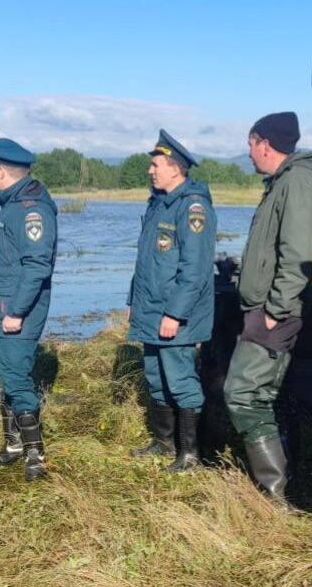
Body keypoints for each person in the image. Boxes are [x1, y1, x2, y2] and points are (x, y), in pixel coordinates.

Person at [224, 111, 312, 502]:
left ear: (264, 143)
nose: (249, 152)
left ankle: (272, 493)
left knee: (242, 392)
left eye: (251, 144)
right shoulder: (283, 182)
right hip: (267, 306)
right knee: (270, 393)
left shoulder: (299, 181)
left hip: (275, 310)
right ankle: (286, 476)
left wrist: (276, 308)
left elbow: (298, 254)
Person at [127, 130, 217, 472]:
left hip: (175, 315)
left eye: (155, 165)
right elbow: (148, 262)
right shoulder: (158, 204)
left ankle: (190, 454)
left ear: (175, 168)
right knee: (155, 375)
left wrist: (174, 314)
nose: (150, 171)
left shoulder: (192, 208)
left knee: (180, 379)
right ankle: (164, 443)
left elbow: (194, 270)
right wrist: (133, 301)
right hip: (151, 310)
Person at [0, 138, 58, 483]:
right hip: (3, 308)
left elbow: (37, 265)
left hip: (16, 311)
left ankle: (35, 455)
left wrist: (17, 311)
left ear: (0, 170)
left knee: (16, 377)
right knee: (6, 374)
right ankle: (12, 447)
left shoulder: (30, 209)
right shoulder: (13, 205)